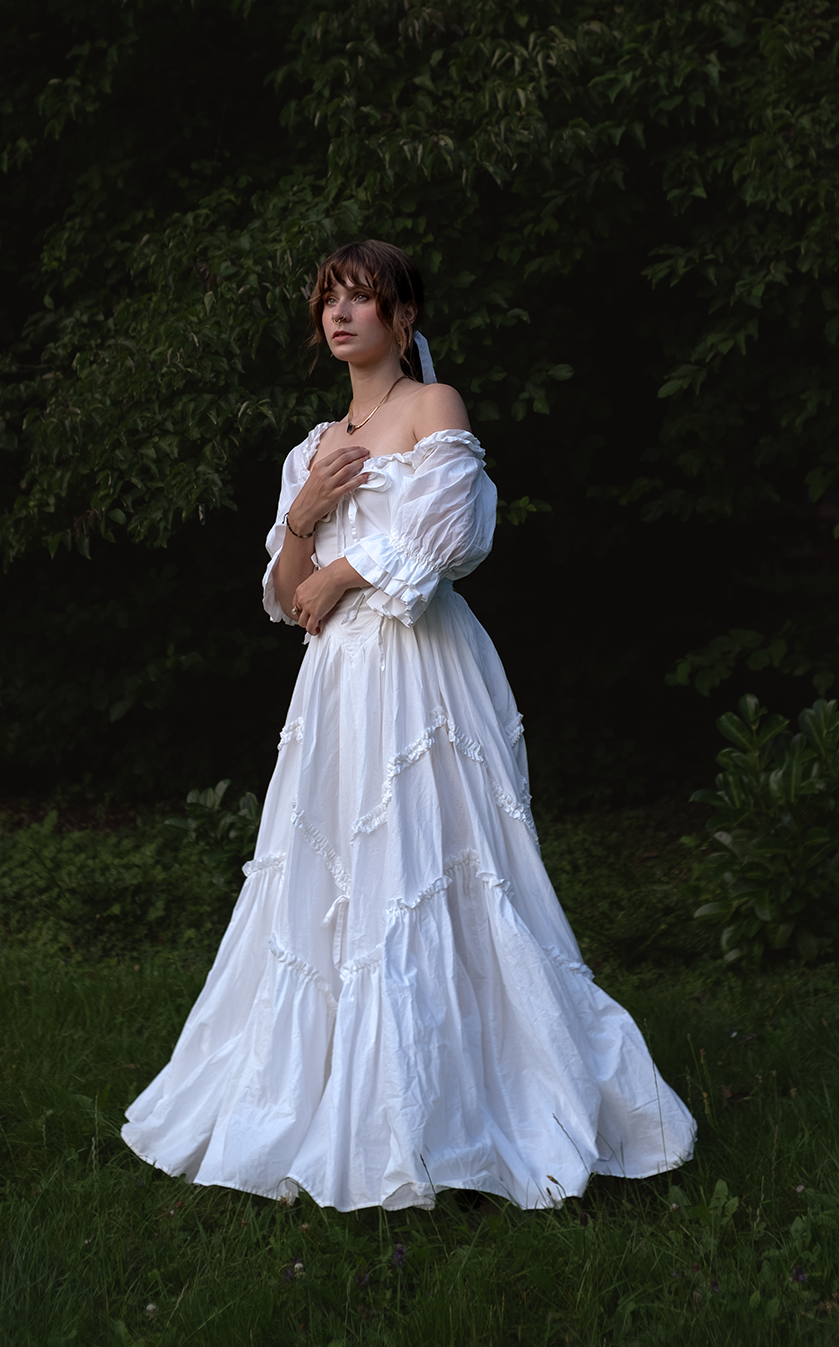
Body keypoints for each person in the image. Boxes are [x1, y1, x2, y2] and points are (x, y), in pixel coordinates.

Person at [121, 240, 695, 1210]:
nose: (340, 316)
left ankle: (475, 1104)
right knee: (336, 877)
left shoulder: (435, 407)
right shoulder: (310, 446)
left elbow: (450, 537)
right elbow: (282, 594)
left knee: (440, 867)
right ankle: (340, 1103)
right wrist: (306, 516)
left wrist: (341, 575)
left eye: (362, 299)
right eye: (329, 302)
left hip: (422, 668)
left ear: (403, 316)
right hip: (339, 684)